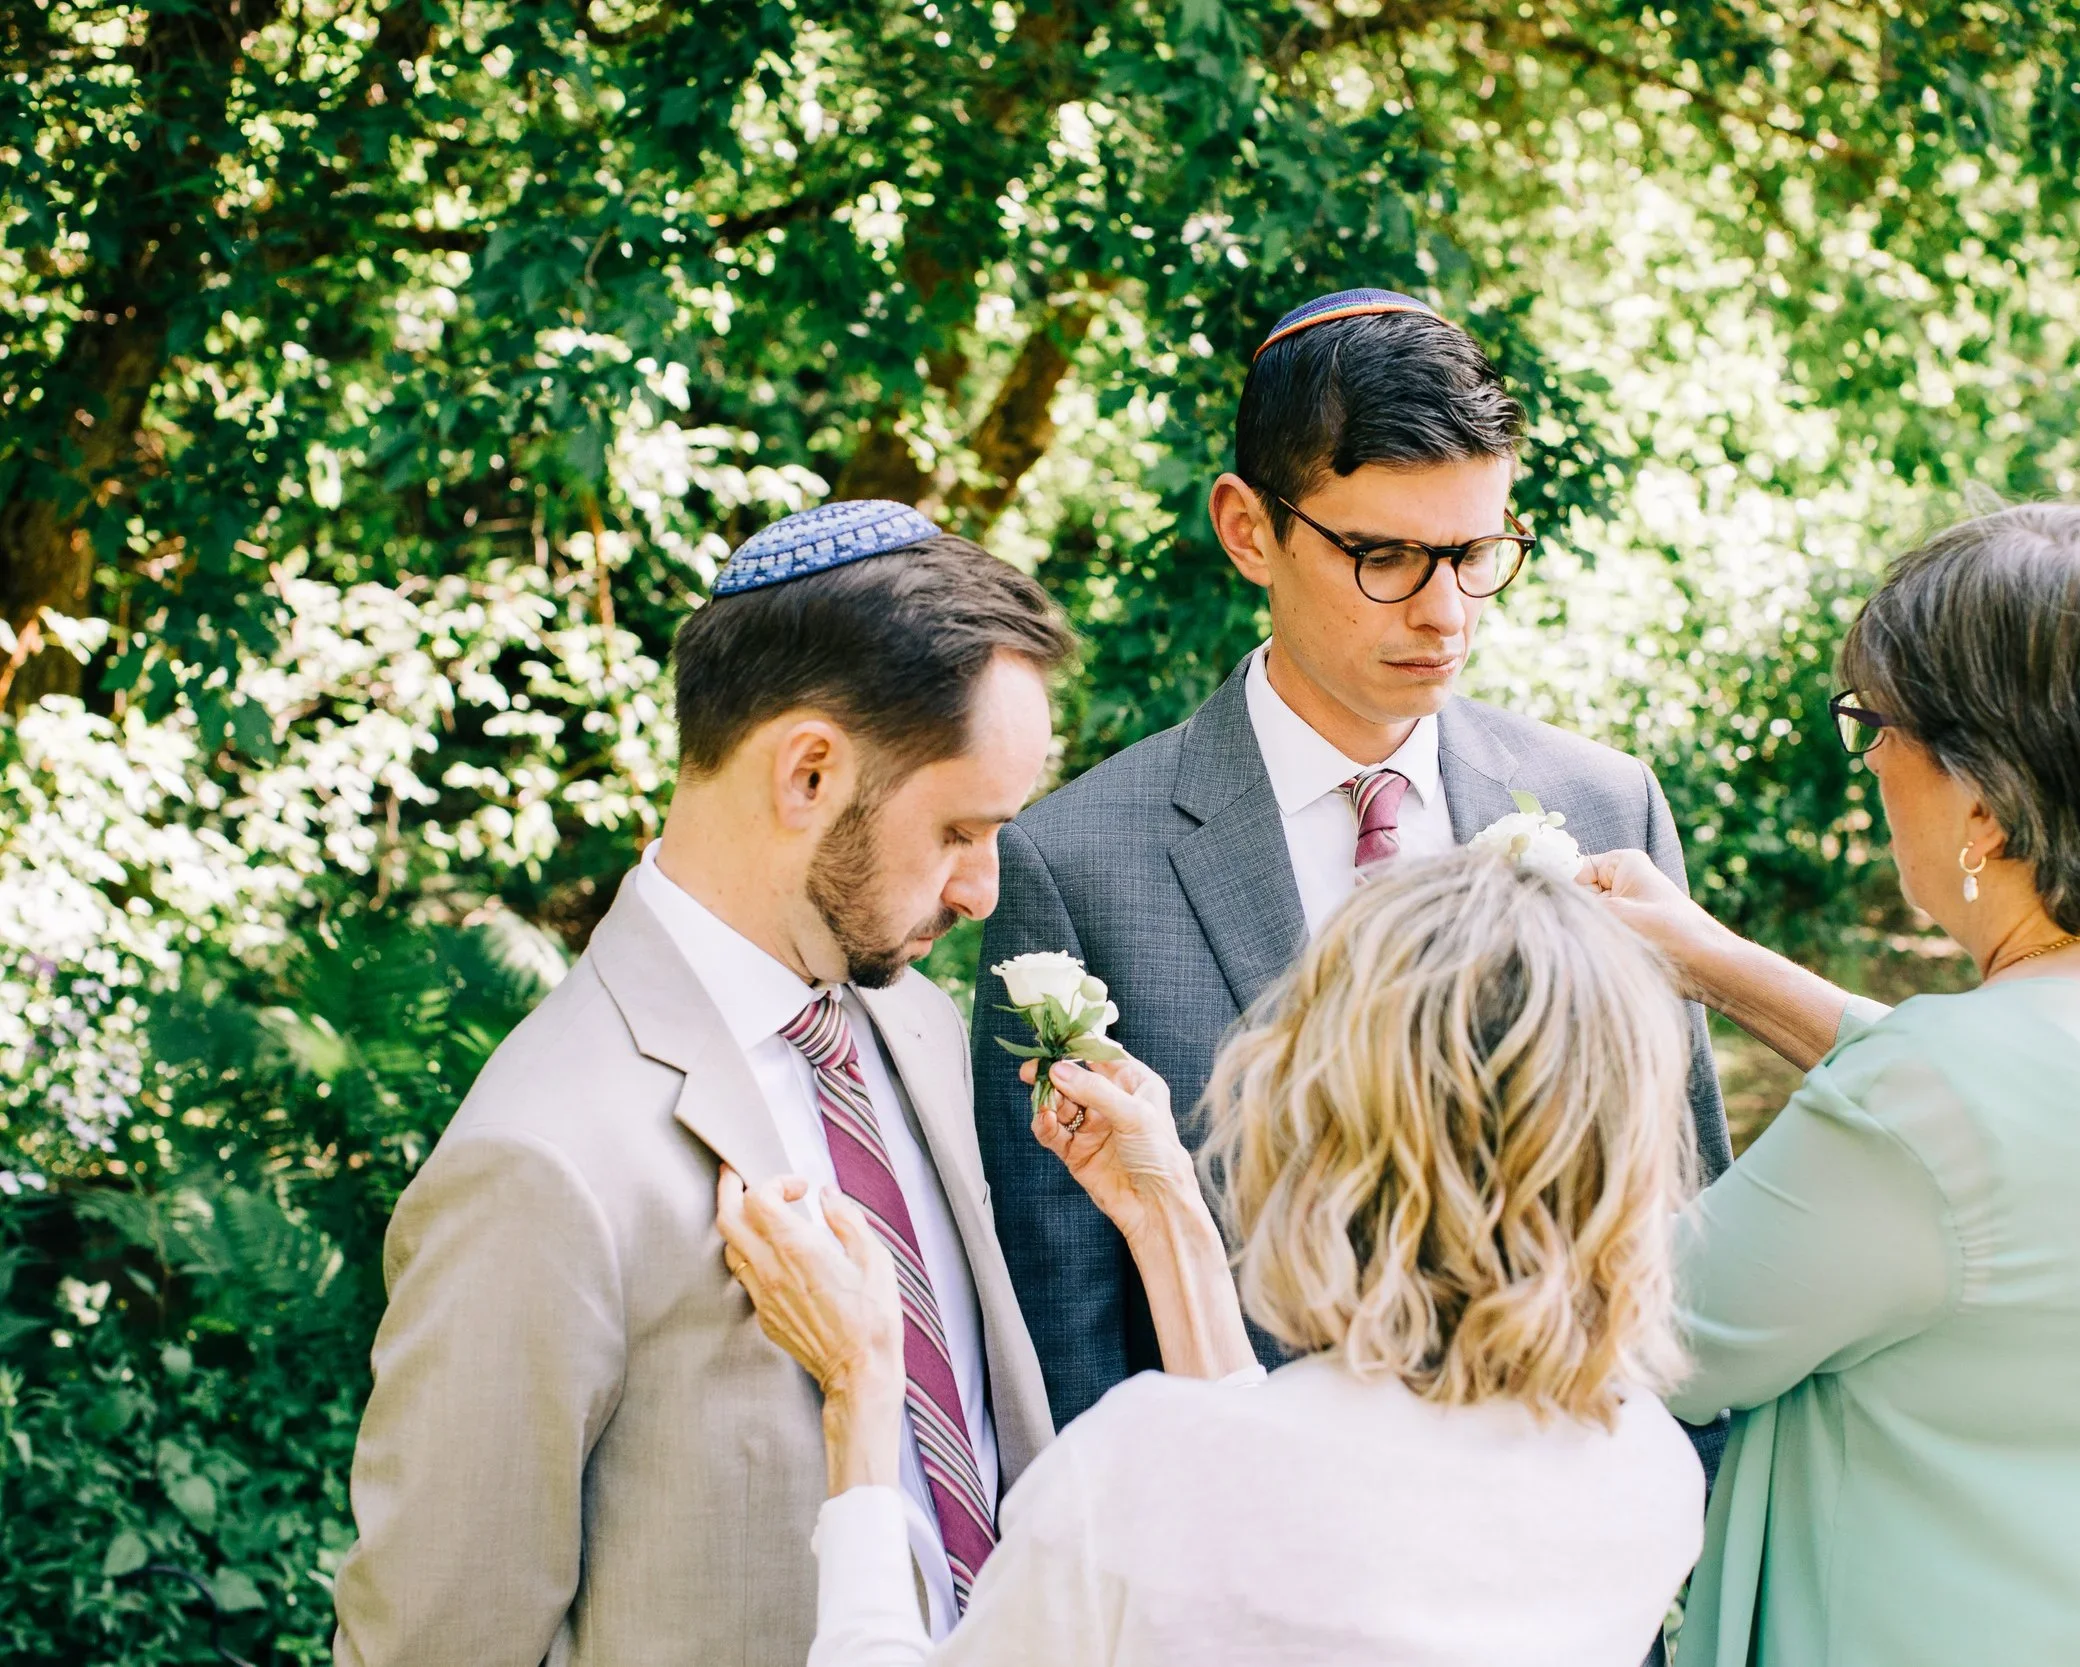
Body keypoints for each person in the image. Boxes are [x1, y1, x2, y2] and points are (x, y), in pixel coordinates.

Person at [1584, 501, 2080, 1666]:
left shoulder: (1932, 1110)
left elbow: (1631, 1341)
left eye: (1878, 724)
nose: (1867, 756)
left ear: (1982, 798)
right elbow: (2037, 1113)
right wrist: (1715, 962)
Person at [971, 285, 1730, 1441]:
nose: (1444, 613)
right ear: (1247, 529)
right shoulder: (1074, 866)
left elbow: (1679, 1215)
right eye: (1383, 555)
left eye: (1478, 552)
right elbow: (1061, 1322)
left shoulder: (1602, 805)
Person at [333, 503, 1075, 1666]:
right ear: (809, 773)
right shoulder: (541, 1161)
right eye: (958, 831)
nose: (982, 888)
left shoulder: (918, 1023)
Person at [720, 852, 1709, 1665]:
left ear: (1322, 1114)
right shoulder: (1647, 1473)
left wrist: (861, 1392)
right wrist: (1169, 1224)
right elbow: (1298, 1526)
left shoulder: (1138, 1466)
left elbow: (1243, 1493)